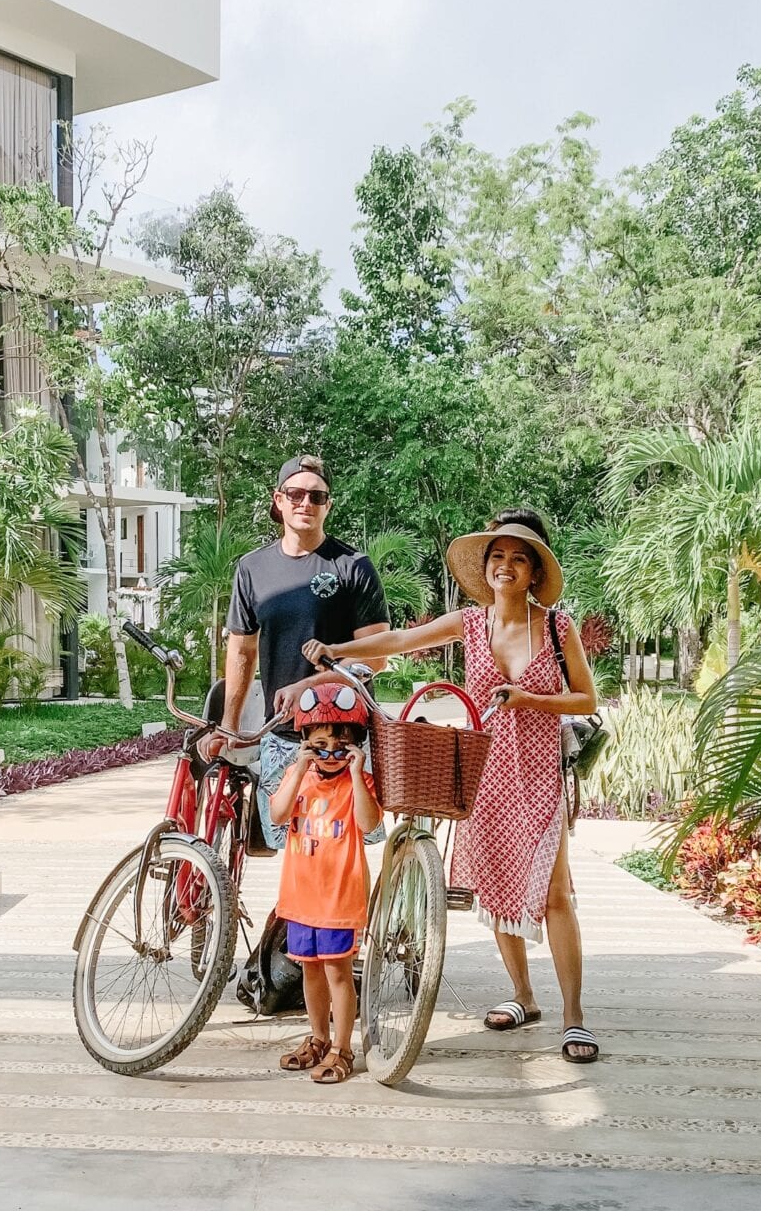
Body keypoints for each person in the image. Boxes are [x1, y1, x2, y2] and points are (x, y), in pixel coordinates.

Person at [303, 506, 601, 1063]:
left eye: (518, 558)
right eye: (497, 556)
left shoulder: (557, 628)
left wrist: (529, 699)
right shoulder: (469, 623)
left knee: (554, 893)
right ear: (486, 568)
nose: (505, 565)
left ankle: (574, 1017)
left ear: (535, 572)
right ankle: (522, 996)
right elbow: (397, 641)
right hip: (485, 771)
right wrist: (339, 652)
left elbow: (587, 700)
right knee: (494, 883)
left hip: (538, 773)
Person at [217, 454, 389, 849]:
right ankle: (295, 912)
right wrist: (229, 723)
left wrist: (309, 686)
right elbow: (242, 651)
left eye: (317, 496)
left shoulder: (353, 566)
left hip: (345, 737)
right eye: (295, 494)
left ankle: (350, 913)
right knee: (290, 843)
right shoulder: (252, 568)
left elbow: (375, 655)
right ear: (279, 501)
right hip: (282, 735)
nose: (305, 503)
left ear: (329, 504)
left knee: (347, 844)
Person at [270, 679, 381, 1084]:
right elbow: (279, 815)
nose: (330, 755)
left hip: (339, 898)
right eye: (320, 747)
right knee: (310, 971)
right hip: (302, 897)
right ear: (304, 743)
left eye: (340, 748)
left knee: (337, 972)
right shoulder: (297, 776)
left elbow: (369, 823)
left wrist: (355, 773)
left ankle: (343, 1047)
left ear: (355, 747)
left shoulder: (358, 784)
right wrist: (300, 768)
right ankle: (318, 1038)